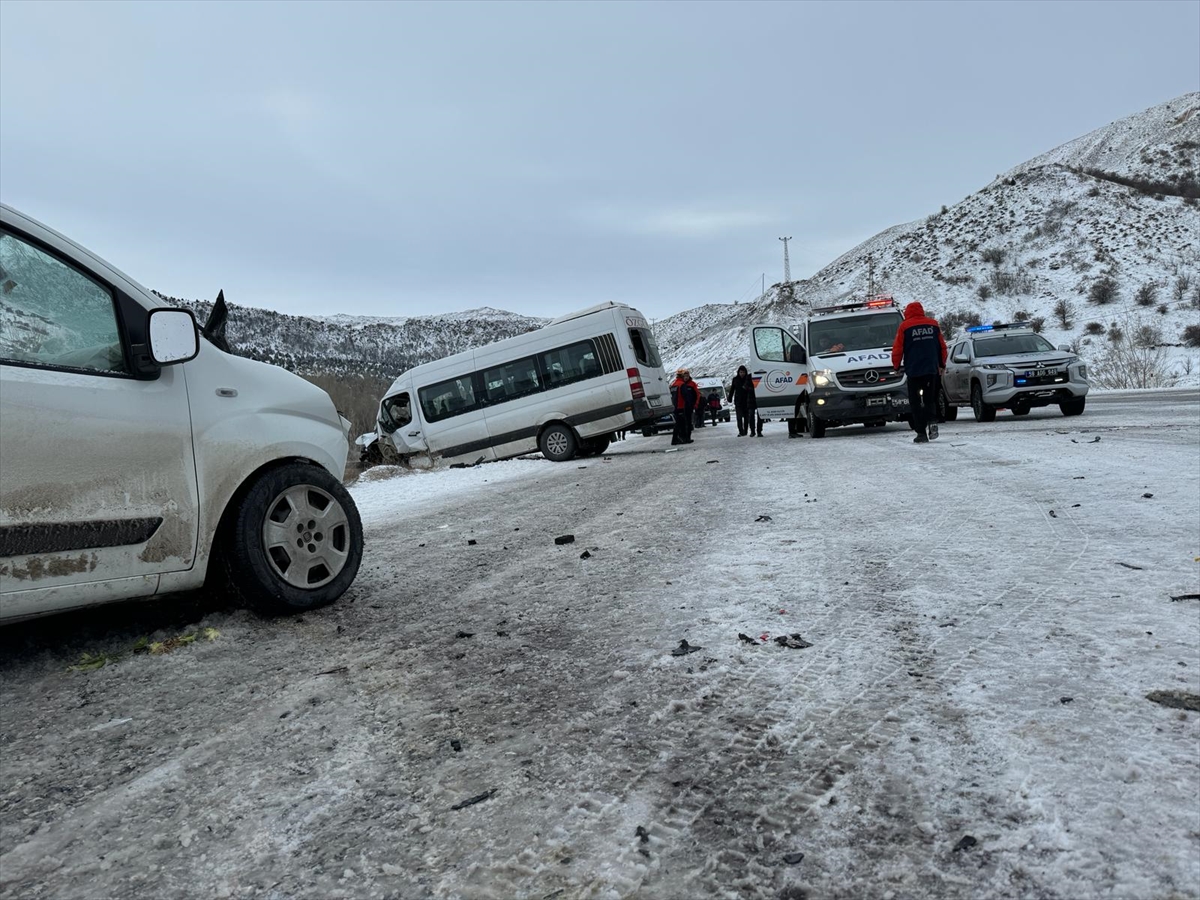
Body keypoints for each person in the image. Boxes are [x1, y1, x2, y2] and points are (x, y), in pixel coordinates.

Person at [891, 301, 948, 444]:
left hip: (913, 370)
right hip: (930, 369)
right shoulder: (933, 324)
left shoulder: (904, 326)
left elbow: (898, 348)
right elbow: (942, 346)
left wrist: (896, 366)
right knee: (930, 399)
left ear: (907, 312)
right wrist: (941, 364)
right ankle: (933, 421)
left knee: (915, 402)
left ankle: (921, 433)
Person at [670, 368, 700, 445]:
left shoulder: (673, 384)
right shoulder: (682, 384)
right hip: (682, 406)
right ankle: (681, 439)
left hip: (675, 406)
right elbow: (686, 396)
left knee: (679, 423)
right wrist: (690, 405)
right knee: (682, 424)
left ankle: (680, 438)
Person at [728, 365, 757, 437]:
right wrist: (730, 397)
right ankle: (741, 431)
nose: (742, 374)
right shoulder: (735, 379)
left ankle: (746, 430)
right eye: (741, 372)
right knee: (739, 417)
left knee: (746, 417)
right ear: (738, 372)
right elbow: (732, 389)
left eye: (743, 372)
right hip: (738, 401)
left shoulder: (748, 379)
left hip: (746, 401)